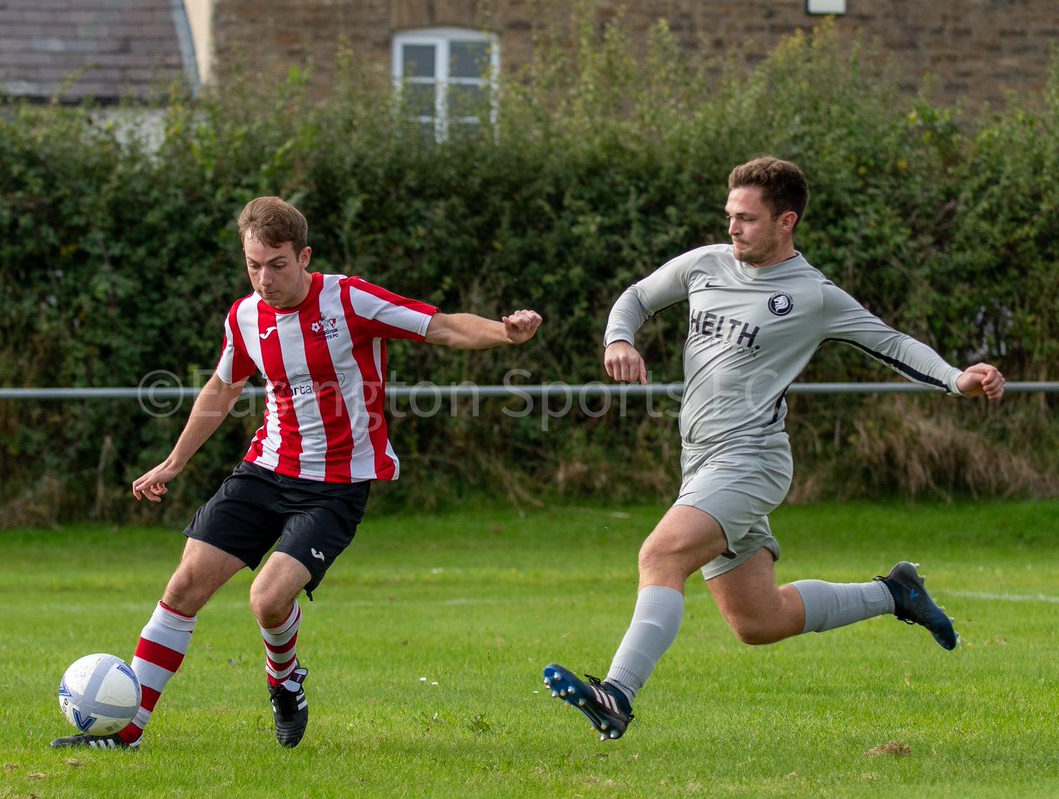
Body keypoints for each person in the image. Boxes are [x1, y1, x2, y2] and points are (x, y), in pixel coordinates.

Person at [52, 196, 542, 750]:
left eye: (277, 264)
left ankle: (285, 681)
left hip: (335, 488)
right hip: (264, 470)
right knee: (184, 586)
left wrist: (505, 334)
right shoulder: (244, 316)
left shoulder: (351, 300)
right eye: (253, 265)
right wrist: (175, 460)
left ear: (304, 256)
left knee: (266, 600)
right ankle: (127, 733)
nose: (265, 278)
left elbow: (442, 326)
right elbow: (222, 387)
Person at [543, 156, 1005, 741]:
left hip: (751, 459)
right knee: (759, 621)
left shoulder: (812, 294)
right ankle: (896, 593)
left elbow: (891, 344)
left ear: (786, 221)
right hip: (699, 461)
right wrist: (619, 338)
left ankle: (616, 695)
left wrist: (957, 376)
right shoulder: (705, 264)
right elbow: (635, 297)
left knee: (661, 556)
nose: (733, 228)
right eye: (730, 216)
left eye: (748, 219)